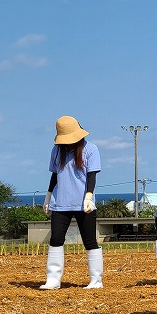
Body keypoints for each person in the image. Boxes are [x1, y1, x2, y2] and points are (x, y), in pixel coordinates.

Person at [39, 116, 103, 289]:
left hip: (84, 203)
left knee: (89, 241)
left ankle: (96, 280)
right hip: (60, 202)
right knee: (56, 239)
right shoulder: (57, 151)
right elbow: (55, 174)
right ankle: (53, 279)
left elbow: (92, 175)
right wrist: (48, 194)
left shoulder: (90, 149)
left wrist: (89, 196)